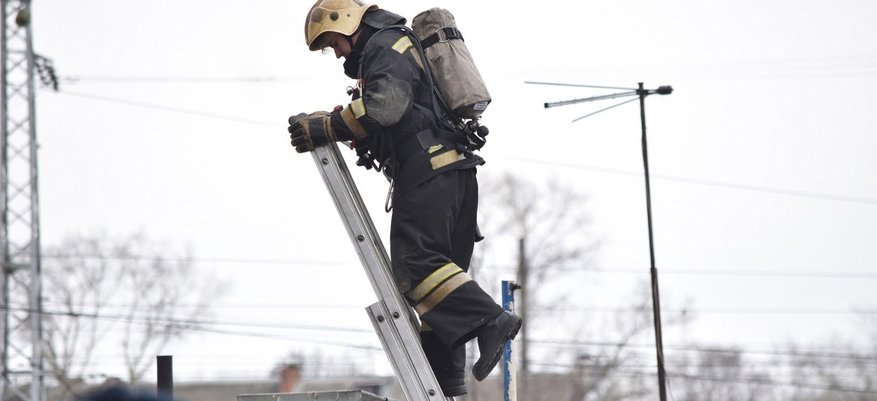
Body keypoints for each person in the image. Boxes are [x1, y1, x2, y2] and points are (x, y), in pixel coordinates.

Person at [288, 0, 522, 396]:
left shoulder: (385, 45)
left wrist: (328, 126)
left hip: (430, 174)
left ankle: (491, 320)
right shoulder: (394, 49)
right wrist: (352, 129)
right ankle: (445, 384)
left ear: (347, 22)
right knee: (439, 289)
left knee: (417, 268)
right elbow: (399, 115)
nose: (337, 53)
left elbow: (386, 107)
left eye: (333, 43)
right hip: (452, 175)